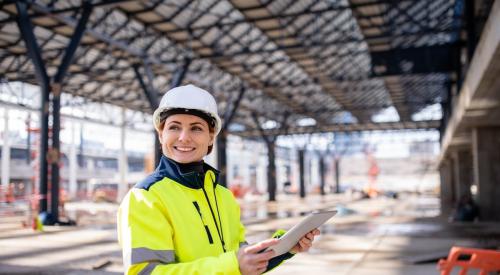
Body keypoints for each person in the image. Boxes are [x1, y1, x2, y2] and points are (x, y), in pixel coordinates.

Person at [117, 84, 320, 275]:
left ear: (211, 137)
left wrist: (284, 248)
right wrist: (233, 264)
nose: (183, 137)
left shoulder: (223, 196)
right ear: (161, 135)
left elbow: (240, 258)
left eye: (196, 128)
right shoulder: (145, 198)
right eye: (174, 127)